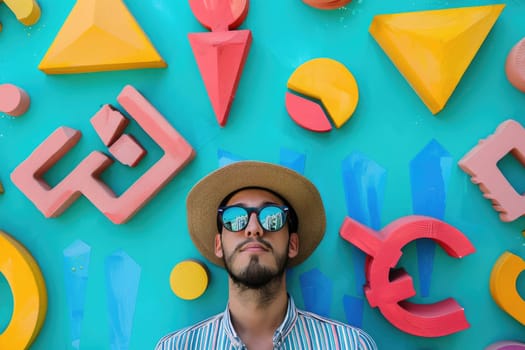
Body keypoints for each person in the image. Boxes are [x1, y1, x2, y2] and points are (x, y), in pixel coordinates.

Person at [156, 161, 377, 350]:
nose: (253, 228)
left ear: (292, 244)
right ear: (219, 245)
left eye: (272, 216)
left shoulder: (349, 345)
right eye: (235, 218)